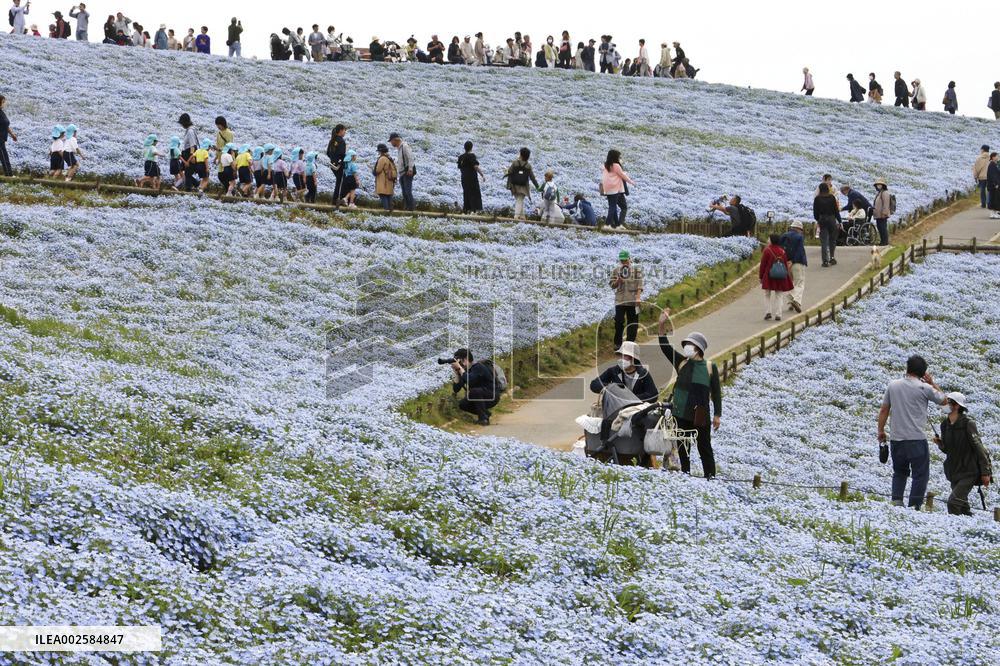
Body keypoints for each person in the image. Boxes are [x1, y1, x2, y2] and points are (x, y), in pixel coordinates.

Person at [878, 355, 948, 510]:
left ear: (907, 368)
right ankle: (914, 507)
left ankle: (896, 503)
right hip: (916, 439)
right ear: (923, 373)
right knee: (920, 475)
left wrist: (881, 431)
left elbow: (884, 410)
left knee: (899, 472)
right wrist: (932, 383)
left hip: (896, 438)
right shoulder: (925, 388)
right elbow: (944, 401)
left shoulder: (893, 385)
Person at [657, 311, 721, 479]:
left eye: (690, 345)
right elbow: (665, 347)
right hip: (680, 413)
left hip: (700, 415)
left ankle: (710, 477)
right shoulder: (682, 362)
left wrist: (717, 415)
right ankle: (686, 476)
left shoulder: (709, 367)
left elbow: (716, 392)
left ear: (698, 348)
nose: (686, 347)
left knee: (704, 448)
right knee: (683, 447)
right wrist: (661, 325)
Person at [934, 392, 993, 516]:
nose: (945, 404)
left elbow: (979, 448)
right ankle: (968, 526)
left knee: (953, 503)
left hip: (969, 471)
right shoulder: (944, 425)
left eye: (949, 402)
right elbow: (948, 450)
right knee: (962, 507)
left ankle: (954, 530)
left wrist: (985, 472)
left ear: (957, 406)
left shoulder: (968, 423)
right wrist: (940, 444)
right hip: (954, 471)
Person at [589, 341, 658, 402]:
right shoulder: (613, 371)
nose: (621, 358)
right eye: (619, 355)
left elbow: (653, 395)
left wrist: (630, 398)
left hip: (637, 409)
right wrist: (611, 388)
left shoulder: (643, 374)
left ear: (633, 358)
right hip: (615, 409)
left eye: (625, 355)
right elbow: (594, 384)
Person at [450, 348, 502, 426]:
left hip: (492, 395)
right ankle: (485, 414)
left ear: (465, 359)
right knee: (462, 404)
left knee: (474, 391)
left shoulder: (478, 367)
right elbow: (456, 389)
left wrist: (460, 369)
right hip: (480, 396)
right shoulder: (465, 370)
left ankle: (483, 419)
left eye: (459, 360)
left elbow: (470, 379)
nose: (458, 363)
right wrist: (457, 373)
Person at [610, 250, 643, 351]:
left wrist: (638, 297)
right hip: (620, 300)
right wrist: (618, 281)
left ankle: (629, 344)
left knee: (632, 323)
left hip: (633, 300)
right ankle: (618, 343)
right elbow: (612, 285)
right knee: (619, 321)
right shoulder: (616, 270)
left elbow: (640, 285)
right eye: (622, 260)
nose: (624, 262)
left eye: (625, 260)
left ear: (629, 258)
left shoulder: (636, 270)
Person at [758, 234, 793, 321]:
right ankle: (778, 314)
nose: (767, 240)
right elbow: (785, 264)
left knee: (767, 294)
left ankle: (768, 312)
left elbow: (763, 265)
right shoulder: (782, 251)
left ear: (772, 240)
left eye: (768, 238)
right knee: (779, 295)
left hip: (769, 275)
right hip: (780, 275)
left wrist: (761, 276)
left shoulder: (767, 250)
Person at [601, 149, 635, 229]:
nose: (619, 158)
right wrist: (631, 182)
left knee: (613, 206)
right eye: (618, 156)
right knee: (613, 206)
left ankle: (617, 224)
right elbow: (622, 175)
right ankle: (607, 224)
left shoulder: (606, 165)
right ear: (615, 157)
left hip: (607, 188)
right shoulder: (616, 165)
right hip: (614, 187)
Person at [780, 220, 807, 313]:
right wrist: (793, 260)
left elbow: (780, 250)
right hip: (797, 263)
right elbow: (799, 251)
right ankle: (796, 300)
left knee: (789, 283)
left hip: (785, 263)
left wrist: (786, 261)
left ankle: (790, 302)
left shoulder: (783, 236)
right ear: (799, 228)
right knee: (799, 282)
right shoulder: (799, 237)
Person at [505, 147, 539, 220]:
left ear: (521, 155)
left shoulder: (515, 163)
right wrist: (537, 186)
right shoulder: (528, 166)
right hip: (523, 187)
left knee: (519, 200)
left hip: (514, 185)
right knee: (519, 200)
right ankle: (517, 217)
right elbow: (532, 177)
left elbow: (509, 172)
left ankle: (520, 217)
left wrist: (508, 184)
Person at [813, 183, 842, 267]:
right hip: (832, 219)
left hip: (822, 220)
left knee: (824, 241)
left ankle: (825, 261)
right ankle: (832, 258)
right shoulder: (832, 197)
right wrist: (839, 221)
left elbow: (815, 213)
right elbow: (836, 211)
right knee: (832, 240)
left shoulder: (817, 199)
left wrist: (818, 219)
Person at [388, 133, 415, 211]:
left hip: (407, 172)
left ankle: (411, 208)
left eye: (391, 141)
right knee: (404, 191)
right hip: (402, 173)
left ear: (395, 140)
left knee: (407, 191)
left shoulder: (405, 146)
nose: (391, 143)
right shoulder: (400, 148)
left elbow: (410, 158)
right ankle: (407, 207)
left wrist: (410, 169)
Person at [457, 141, 485, 213]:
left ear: (464, 147)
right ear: (471, 147)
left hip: (464, 178)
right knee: (474, 193)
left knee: (466, 193)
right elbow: (475, 166)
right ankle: (474, 210)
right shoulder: (471, 156)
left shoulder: (461, 157)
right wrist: (482, 174)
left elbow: (460, 167)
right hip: (472, 178)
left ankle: (466, 209)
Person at [326, 124, 347, 204]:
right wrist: (341, 162)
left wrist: (333, 159)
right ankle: (337, 200)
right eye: (344, 130)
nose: (345, 132)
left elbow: (328, 153)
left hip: (332, 164)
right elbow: (342, 154)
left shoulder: (332, 140)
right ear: (341, 130)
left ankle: (336, 200)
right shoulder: (341, 141)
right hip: (339, 166)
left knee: (339, 181)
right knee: (341, 182)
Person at [374, 143, 397, 211]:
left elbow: (378, 170)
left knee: (382, 194)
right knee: (388, 194)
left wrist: (373, 171)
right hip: (389, 179)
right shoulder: (389, 158)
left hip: (383, 179)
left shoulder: (382, 158)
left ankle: (386, 209)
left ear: (380, 151)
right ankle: (390, 208)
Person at [872, 178, 893, 243]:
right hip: (878, 215)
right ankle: (882, 241)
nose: (877, 186)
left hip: (882, 215)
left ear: (882, 185)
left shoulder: (885, 193)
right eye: (877, 185)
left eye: (879, 185)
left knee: (883, 228)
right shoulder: (880, 193)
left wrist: (884, 213)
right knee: (880, 228)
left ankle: (885, 241)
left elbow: (886, 204)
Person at [0, 95, 14, 177]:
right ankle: (9, 175)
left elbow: (6, 125)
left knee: (4, 156)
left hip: (2, 139)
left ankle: (9, 174)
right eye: (3, 102)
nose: (4, 104)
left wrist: (12, 134)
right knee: (4, 157)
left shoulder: (2, 112)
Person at [988, 153, 1000, 220]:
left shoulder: (994, 164)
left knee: (995, 199)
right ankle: (992, 213)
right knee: (993, 199)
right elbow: (992, 176)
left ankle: (994, 213)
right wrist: (995, 184)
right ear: (993, 157)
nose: (998, 157)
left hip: (995, 185)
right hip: (994, 185)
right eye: (997, 156)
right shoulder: (992, 165)